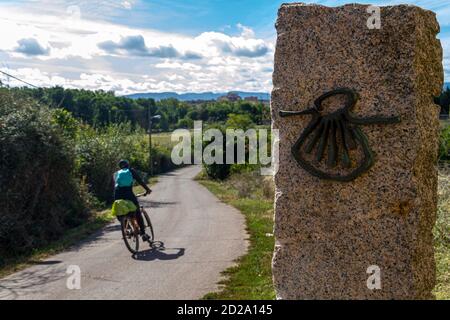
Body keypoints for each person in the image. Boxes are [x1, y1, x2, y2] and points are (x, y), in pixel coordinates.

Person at [114, 159, 152, 242]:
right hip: (129, 195)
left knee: (120, 213)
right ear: (128, 165)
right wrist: (147, 190)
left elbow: (115, 186)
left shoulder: (116, 174)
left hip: (117, 195)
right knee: (137, 212)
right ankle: (143, 234)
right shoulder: (131, 171)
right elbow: (140, 181)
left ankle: (127, 229)